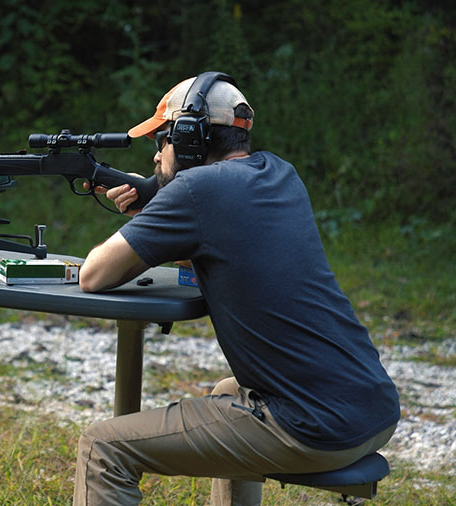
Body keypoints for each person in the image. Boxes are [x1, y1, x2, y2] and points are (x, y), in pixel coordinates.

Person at [73, 72, 400, 506]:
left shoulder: (195, 189)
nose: (155, 156)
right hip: (372, 407)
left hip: (311, 426)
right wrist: (157, 214)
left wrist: (163, 206)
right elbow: (219, 250)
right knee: (228, 391)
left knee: (102, 447)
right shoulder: (281, 174)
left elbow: (93, 275)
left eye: (162, 141)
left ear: (189, 140)